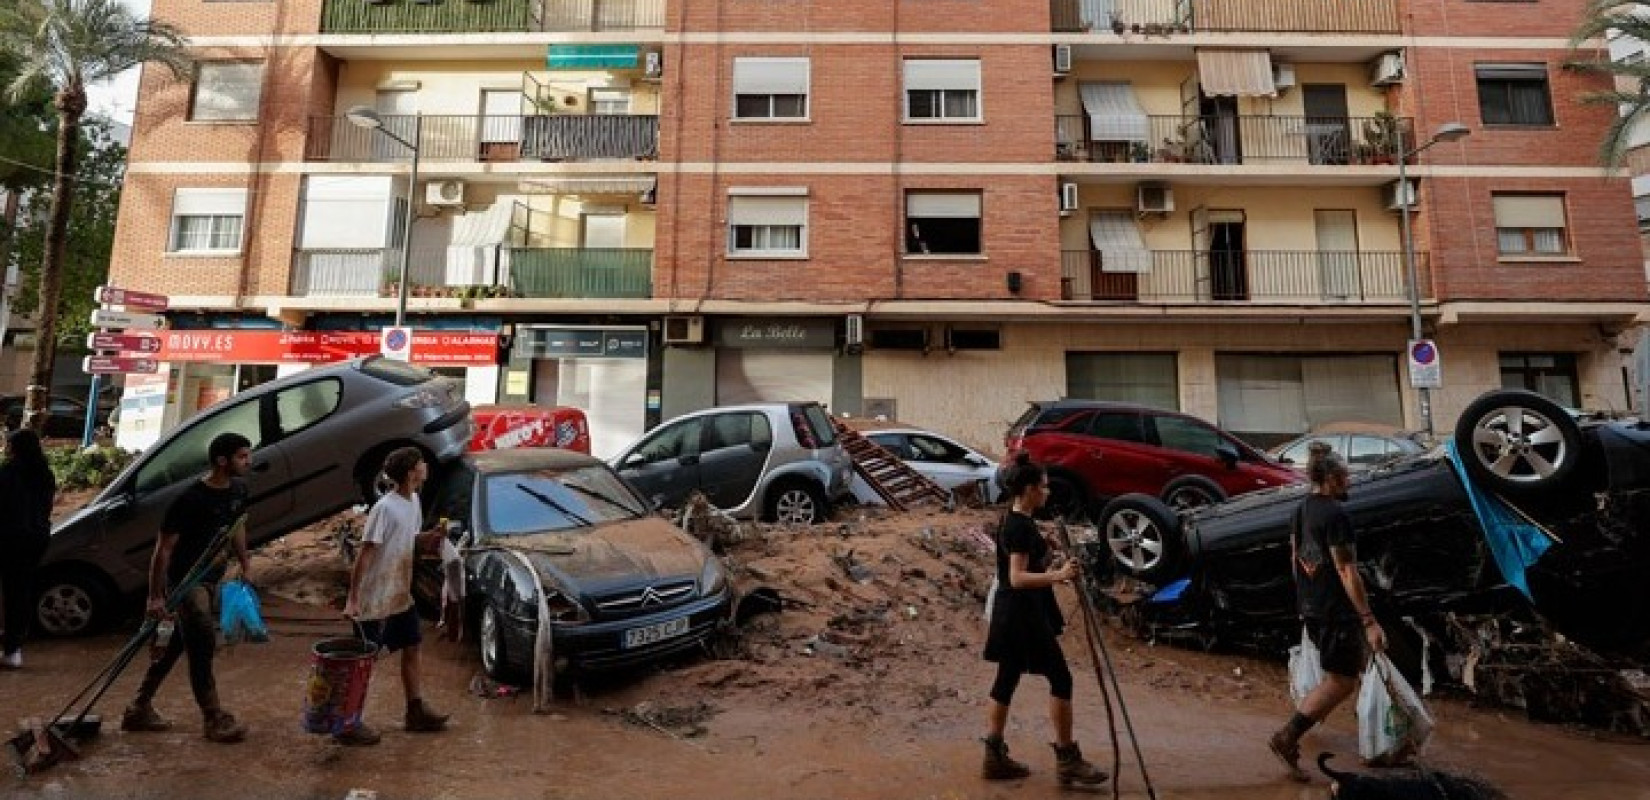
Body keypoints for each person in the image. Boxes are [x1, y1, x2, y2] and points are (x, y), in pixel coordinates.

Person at [979, 452, 1109, 788]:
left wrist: (1050, 563)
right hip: (1022, 616)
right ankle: (1068, 759)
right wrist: (1059, 575)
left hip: (1016, 613)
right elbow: (1018, 578)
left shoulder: (1015, 519)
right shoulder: (1019, 526)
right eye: (1043, 487)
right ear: (1028, 489)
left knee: (1006, 678)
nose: (1047, 493)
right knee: (1061, 679)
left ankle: (993, 755)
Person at [122, 432, 254, 744]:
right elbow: (163, 550)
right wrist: (155, 596)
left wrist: (245, 563)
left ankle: (138, 707)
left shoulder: (238, 490)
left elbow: (237, 528)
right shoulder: (189, 499)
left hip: (212, 578)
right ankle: (213, 717)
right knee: (203, 644)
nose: (248, 462)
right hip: (186, 583)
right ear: (222, 461)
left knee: (173, 647)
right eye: (242, 456)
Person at [1268, 442, 1388, 781]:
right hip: (1336, 610)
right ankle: (1287, 736)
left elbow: (1296, 558)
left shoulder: (1301, 509)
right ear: (1333, 479)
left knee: (1345, 671)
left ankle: (1369, 733)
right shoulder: (1337, 515)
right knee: (1341, 682)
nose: (1349, 481)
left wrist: (1304, 603)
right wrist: (1369, 620)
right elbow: (1346, 570)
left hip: (1312, 606)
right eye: (1346, 476)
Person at [341, 447, 450, 745]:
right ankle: (348, 723)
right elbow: (365, 554)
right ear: (410, 472)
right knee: (365, 660)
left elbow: (409, 541)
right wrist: (353, 598)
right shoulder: (384, 508)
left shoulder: (413, 500)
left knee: (412, 645)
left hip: (399, 593)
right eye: (421, 463)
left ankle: (415, 711)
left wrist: (431, 539)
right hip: (374, 596)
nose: (426, 466)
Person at [0, 429, 56, 669]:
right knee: (19, 592)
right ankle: (14, 649)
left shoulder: (7, 474)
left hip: (8, 539)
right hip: (36, 539)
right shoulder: (44, 474)